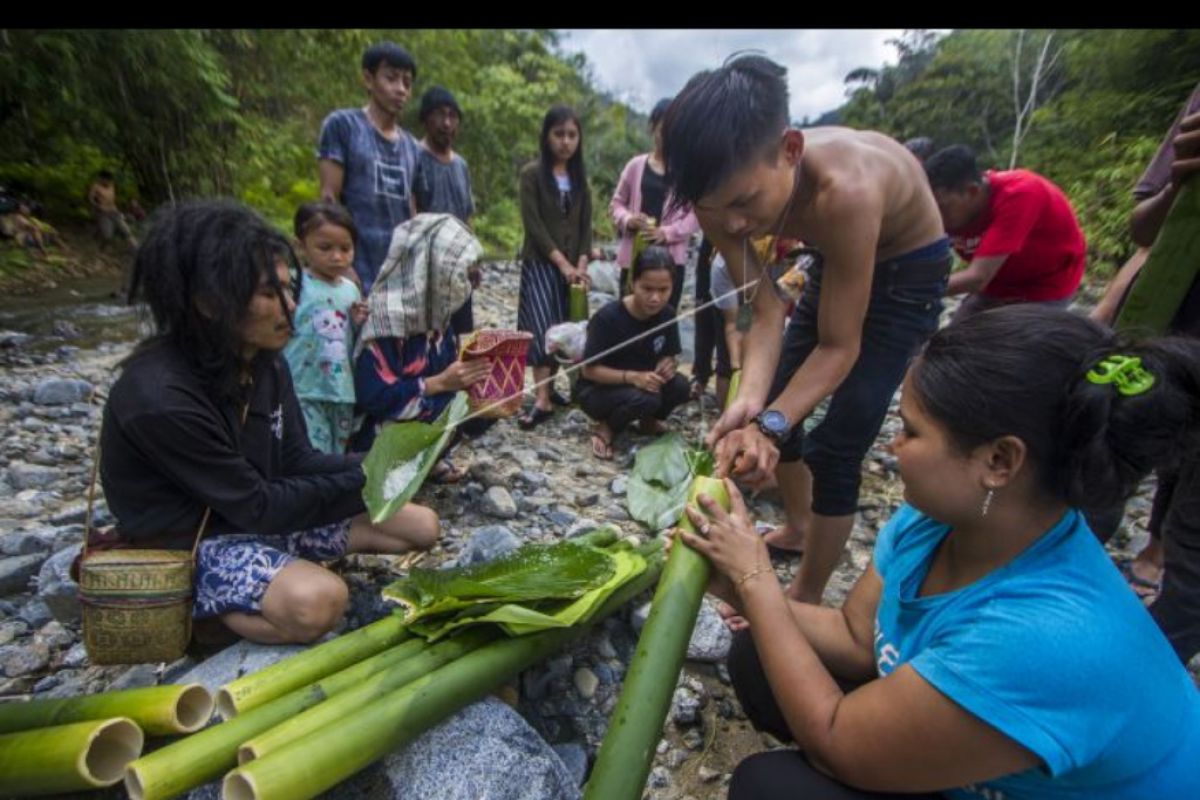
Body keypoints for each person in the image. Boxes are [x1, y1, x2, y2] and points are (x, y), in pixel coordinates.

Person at [678, 305, 1200, 799]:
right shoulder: (945, 518)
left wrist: (756, 580)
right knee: (757, 654)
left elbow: (835, 742)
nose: (891, 447)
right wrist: (738, 586)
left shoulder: (1046, 638)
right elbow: (860, 638)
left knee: (773, 787)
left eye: (910, 430)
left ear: (999, 460)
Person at [661, 54, 951, 603]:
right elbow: (766, 310)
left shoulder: (843, 192)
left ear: (790, 151)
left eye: (746, 203)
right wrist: (752, 403)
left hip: (908, 267)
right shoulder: (714, 195)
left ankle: (806, 595)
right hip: (833, 256)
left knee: (839, 442)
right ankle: (797, 524)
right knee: (776, 405)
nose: (736, 225)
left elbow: (840, 348)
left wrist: (769, 427)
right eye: (718, 211)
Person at [100, 201, 439, 645]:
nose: (291, 305)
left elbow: (296, 459)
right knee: (320, 601)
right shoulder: (160, 398)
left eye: (288, 288)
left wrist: (397, 458)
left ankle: (274, 577)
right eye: (268, 293)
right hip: (194, 541)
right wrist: (370, 475)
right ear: (207, 302)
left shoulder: (264, 363)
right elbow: (258, 504)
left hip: (256, 517)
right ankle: (199, 620)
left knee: (420, 525)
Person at [1088, 81, 1200, 660]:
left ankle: (1141, 670)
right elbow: (1145, 233)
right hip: (1154, 335)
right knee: (1099, 478)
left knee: (1195, 545)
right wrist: (1180, 182)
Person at [351, 213, 494, 481]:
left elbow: (449, 371)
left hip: (421, 412)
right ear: (434, 269)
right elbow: (372, 397)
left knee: (484, 405)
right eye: (465, 270)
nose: (474, 279)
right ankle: (391, 470)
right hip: (376, 433)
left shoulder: (437, 317)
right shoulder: (387, 322)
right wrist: (438, 383)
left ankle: (428, 459)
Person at [925, 144, 1086, 321]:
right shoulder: (950, 207)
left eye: (942, 208)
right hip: (998, 284)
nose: (937, 217)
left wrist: (908, 290)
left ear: (972, 191)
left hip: (1044, 286)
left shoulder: (1020, 194)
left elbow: (977, 278)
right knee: (952, 342)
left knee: (1013, 345)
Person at [516, 105, 595, 430]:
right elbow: (533, 224)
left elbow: (585, 227)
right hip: (541, 264)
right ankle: (542, 399)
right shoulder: (532, 175)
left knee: (570, 327)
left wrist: (580, 264)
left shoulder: (580, 181)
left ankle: (558, 389)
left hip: (573, 269)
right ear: (547, 137)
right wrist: (561, 263)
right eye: (559, 134)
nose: (565, 142)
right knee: (540, 325)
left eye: (571, 135)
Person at [318, 41, 420, 292]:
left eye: (406, 82)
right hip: (354, 268)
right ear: (368, 79)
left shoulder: (412, 146)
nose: (400, 90)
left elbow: (412, 212)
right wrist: (342, 266)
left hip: (398, 276)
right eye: (391, 79)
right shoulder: (343, 126)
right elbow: (329, 199)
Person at [575, 246, 690, 459]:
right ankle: (607, 427)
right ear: (632, 283)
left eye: (663, 290)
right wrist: (632, 377)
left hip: (644, 383)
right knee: (647, 399)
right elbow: (588, 371)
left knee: (681, 386)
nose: (655, 298)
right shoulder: (608, 317)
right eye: (647, 289)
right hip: (599, 390)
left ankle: (648, 421)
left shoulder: (667, 315)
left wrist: (667, 365)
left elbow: (669, 355)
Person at [281, 202, 367, 454]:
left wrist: (357, 321)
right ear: (301, 245)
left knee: (337, 449)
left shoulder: (351, 290)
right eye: (325, 248)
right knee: (310, 450)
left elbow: (350, 336)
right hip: (302, 386)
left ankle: (331, 491)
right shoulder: (294, 283)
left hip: (341, 388)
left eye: (345, 248)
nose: (337, 256)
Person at [610, 96, 700, 310]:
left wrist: (667, 233)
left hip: (670, 263)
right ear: (652, 128)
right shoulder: (635, 166)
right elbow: (616, 204)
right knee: (628, 319)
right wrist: (628, 220)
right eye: (663, 129)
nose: (668, 137)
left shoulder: (686, 172)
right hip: (634, 259)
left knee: (664, 321)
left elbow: (696, 215)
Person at [413, 85, 481, 336]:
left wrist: (473, 259)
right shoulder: (414, 156)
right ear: (425, 119)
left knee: (459, 336)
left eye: (453, 116)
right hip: (427, 267)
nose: (447, 123)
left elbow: (467, 216)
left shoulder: (460, 165)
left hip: (458, 268)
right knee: (428, 336)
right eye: (440, 115)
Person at [88, 170, 137, 248]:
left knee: (126, 231)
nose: (108, 182)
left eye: (109, 180)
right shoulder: (96, 187)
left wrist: (119, 211)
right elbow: (91, 199)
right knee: (108, 236)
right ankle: (101, 247)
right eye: (106, 180)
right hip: (103, 213)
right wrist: (96, 206)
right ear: (101, 179)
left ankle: (137, 249)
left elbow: (113, 199)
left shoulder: (112, 186)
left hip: (114, 212)